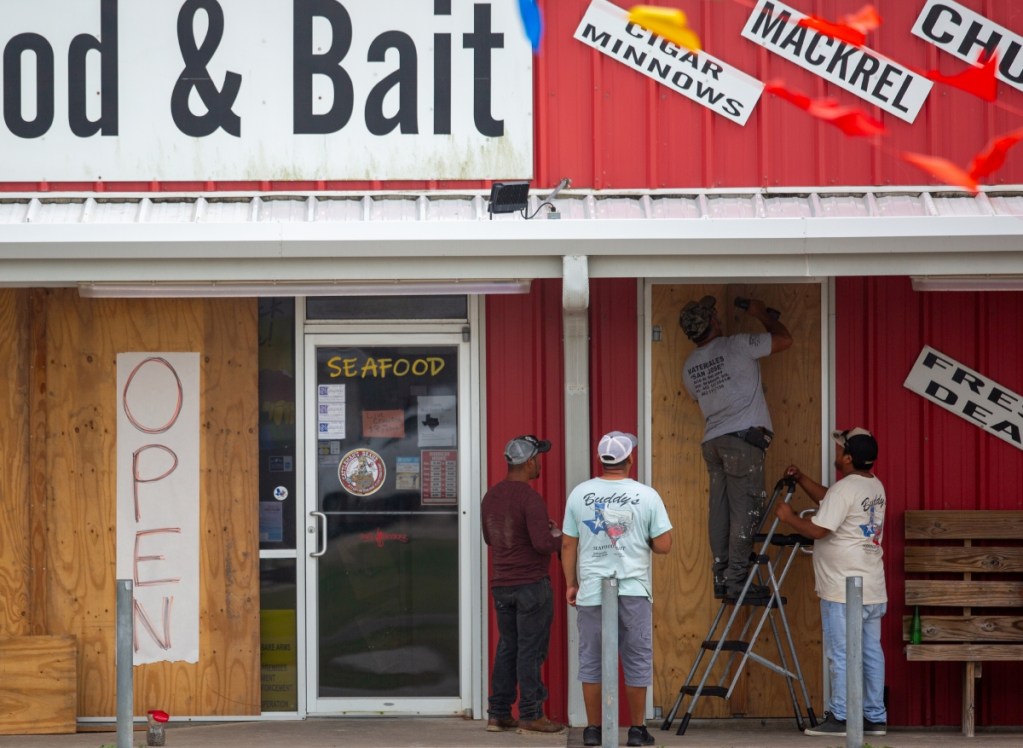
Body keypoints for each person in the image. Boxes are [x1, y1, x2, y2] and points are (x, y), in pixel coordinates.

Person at [774, 428, 887, 738]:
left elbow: (819, 530)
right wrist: (802, 479)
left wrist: (789, 517)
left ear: (849, 458)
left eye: (840, 450)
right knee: (870, 652)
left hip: (842, 589)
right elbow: (832, 500)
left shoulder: (844, 489)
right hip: (872, 585)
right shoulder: (873, 486)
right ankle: (874, 717)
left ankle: (839, 716)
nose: (837, 454)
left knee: (840, 652)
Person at [561, 431, 673, 747]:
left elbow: (568, 543)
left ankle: (593, 729)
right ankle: (637, 729)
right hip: (634, 589)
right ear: (630, 459)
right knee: (637, 657)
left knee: (591, 658)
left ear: (601, 460)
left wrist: (572, 583)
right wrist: (643, 538)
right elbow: (664, 545)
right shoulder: (647, 495)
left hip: (593, 589)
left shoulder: (580, 494)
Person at [680, 295, 793, 600]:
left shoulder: (690, 366)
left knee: (719, 510)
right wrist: (760, 314)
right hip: (743, 442)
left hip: (713, 442)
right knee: (745, 509)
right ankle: (737, 580)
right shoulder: (737, 345)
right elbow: (784, 339)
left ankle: (721, 576)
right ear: (714, 322)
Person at [481, 435, 565, 735]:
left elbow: (491, 538)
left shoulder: (491, 496)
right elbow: (543, 544)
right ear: (529, 462)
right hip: (530, 584)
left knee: (508, 647)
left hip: (501, 584)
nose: (540, 463)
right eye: (538, 458)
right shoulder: (530, 497)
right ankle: (531, 714)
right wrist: (561, 538)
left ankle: (499, 713)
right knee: (530, 650)